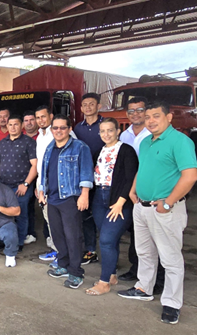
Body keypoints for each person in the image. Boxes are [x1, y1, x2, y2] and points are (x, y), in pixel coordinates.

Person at [118, 101, 197, 325]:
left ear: (169, 117)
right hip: (141, 206)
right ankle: (144, 288)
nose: (150, 121)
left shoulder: (180, 141)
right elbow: (142, 169)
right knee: (144, 252)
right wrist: (133, 190)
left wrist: (169, 202)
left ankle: (172, 303)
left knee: (170, 258)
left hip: (164, 210)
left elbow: (190, 176)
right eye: (148, 117)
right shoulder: (146, 143)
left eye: (156, 116)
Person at [39, 114, 93, 289]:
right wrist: (42, 190)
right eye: (55, 128)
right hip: (52, 198)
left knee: (73, 237)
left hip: (70, 198)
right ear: (52, 130)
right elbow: (44, 171)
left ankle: (76, 273)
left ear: (70, 129)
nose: (59, 131)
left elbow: (86, 172)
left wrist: (84, 194)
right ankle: (62, 264)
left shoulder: (79, 147)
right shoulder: (49, 148)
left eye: (63, 127)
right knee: (57, 235)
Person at [85, 118, 138, 296]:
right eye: (103, 131)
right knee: (110, 240)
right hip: (100, 198)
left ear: (117, 131)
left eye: (110, 130)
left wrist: (121, 203)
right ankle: (112, 274)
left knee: (106, 240)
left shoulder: (126, 150)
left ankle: (104, 282)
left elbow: (131, 178)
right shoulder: (100, 151)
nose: (106, 134)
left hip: (118, 200)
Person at [118, 96, 165, 292]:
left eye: (140, 110)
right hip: (132, 191)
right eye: (131, 111)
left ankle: (159, 279)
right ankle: (136, 268)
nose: (135, 114)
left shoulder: (153, 134)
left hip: (153, 191)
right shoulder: (124, 136)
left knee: (158, 238)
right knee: (137, 233)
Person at [34, 106, 76, 264]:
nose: (40, 120)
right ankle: (58, 252)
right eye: (38, 117)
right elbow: (41, 165)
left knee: (64, 226)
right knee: (51, 223)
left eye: (43, 117)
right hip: (44, 187)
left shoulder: (64, 133)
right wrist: (40, 187)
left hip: (61, 189)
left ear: (50, 116)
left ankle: (66, 257)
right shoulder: (40, 136)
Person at [0, 114, 37, 252]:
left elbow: (35, 165)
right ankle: (6, 238)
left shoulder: (29, 142)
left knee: (20, 213)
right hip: (4, 185)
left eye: (16, 124)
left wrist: (26, 184)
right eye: (10, 125)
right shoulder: (2, 142)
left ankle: (19, 241)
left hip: (21, 186)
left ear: (21, 125)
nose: (12, 127)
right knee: (4, 213)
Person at [74, 93, 105, 265]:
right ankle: (91, 250)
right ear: (81, 108)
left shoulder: (106, 126)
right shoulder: (78, 128)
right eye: (84, 104)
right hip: (84, 177)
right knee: (85, 215)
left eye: (91, 104)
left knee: (102, 215)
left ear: (98, 106)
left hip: (103, 178)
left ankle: (108, 253)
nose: (88, 107)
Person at [22, 110, 39, 245]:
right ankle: (29, 232)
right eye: (26, 120)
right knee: (27, 206)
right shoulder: (20, 138)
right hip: (25, 176)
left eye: (32, 120)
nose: (29, 123)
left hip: (40, 176)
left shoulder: (43, 136)